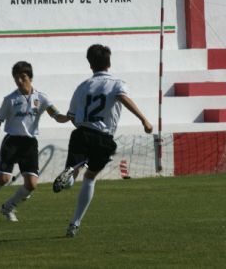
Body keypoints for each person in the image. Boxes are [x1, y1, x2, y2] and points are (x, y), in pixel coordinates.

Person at [52, 44, 153, 237]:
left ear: (90, 65)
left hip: (80, 133)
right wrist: (144, 120)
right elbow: (124, 98)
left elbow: (73, 116)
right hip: (103, 137)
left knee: (74, 173)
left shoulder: (82, 87)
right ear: (109, 62)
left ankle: (69, 174)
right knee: (90, 177)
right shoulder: (117, 83)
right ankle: (74, 223)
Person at [0, 61, 69, 224]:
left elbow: (56, 115)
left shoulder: (41, 98)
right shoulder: (10, 99)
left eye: (23, 77)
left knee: (31, 184)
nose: (20, 81)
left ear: (30, 77)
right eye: (16, 78)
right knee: (3, 179)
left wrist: (69, 118)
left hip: (30, 144)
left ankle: (8, 207)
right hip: (12, 142)